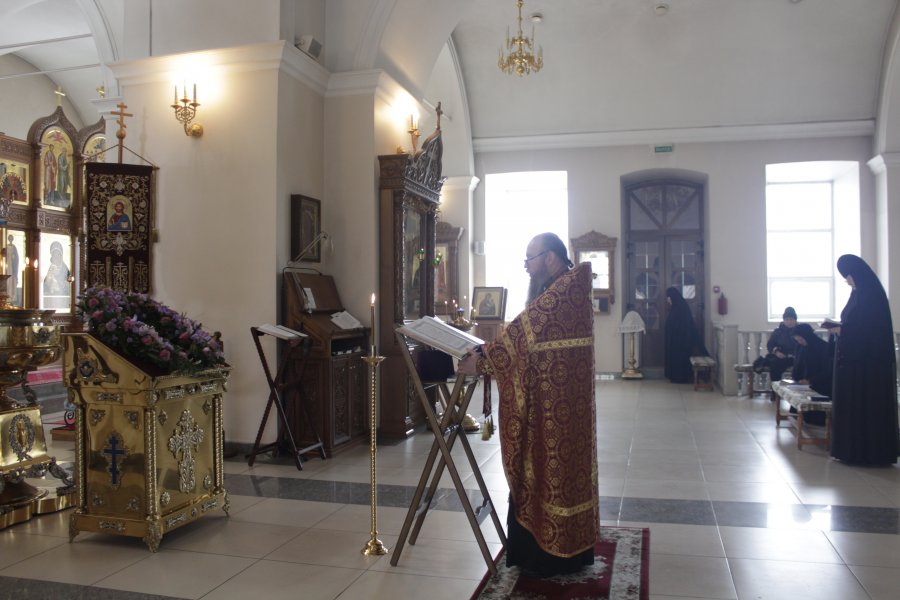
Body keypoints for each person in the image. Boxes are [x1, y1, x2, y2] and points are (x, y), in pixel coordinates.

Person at [457, 232, 599, 577]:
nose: (526, 267)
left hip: (553, 408)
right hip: (559, 402)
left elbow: (522, 334)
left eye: (530, 259)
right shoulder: (568, 289)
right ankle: (570, 549)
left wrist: (484, 359)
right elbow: (526, 340)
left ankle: (546, 557)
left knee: (547, 467)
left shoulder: (561, 293)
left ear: (550, 257)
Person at [829, 254, 899, 465]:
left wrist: (843, 331)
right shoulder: (859, 294)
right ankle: (850, 450)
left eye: (848, 276)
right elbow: (854, 324)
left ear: (857, 274)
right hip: (854, 363)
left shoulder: (871, 296)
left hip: (868, 367)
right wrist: (841, 329)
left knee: (867, 408)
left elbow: (869, 332)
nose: (847, 281)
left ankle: (867, 452)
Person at [789, 322, 833, 426]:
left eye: (801, 340)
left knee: (812, 418)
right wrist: (796, 379)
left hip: (820, 383)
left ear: (807, 336)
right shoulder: (800, 346)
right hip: (804, 382)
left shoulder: (823, 347)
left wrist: (810, 381)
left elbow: (827, 371)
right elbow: (798, 364)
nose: (800, 342)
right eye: (798, 340)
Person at [663, 286, 708, 384]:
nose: (668, 300)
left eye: (668, 297)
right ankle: (675, 376)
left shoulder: (680, 308)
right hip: (676, 340)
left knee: (680, 358)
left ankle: (681, 378)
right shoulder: (677, 307)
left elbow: (683, 326)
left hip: (681, 341)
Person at [754, 307, 798, 382]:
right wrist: (776, 352)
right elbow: (770, 344)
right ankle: (775, 387)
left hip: (795, 358)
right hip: (780, 357)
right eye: (787, 319)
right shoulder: (778, 332)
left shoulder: (800, 331)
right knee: (774, 364)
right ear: (784, 320)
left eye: (791, 319)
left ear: (795, 320)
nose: (789, 322)